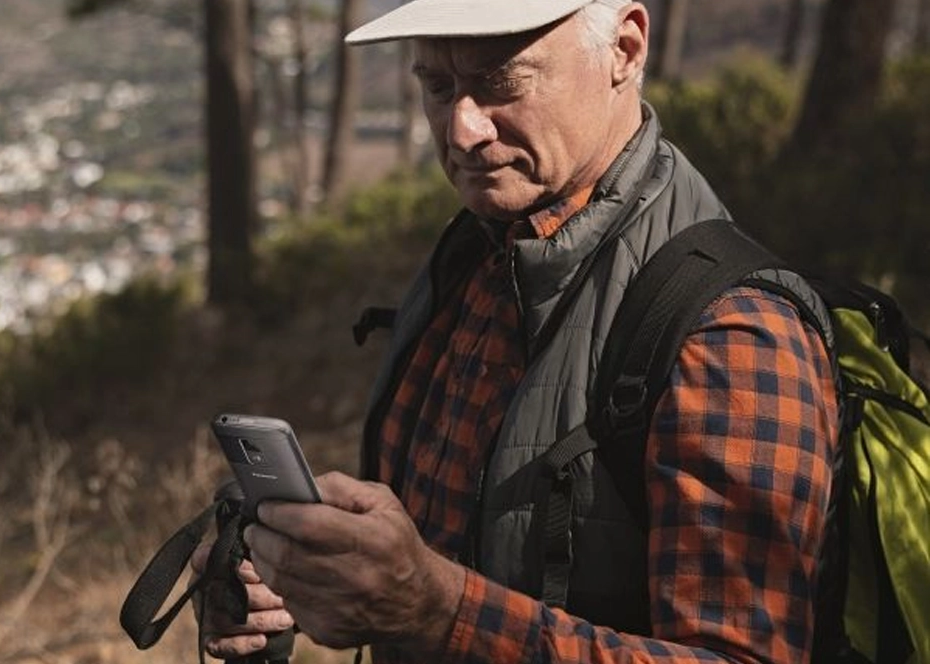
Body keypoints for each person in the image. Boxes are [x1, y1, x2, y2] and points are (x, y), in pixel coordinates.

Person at [192, 1, 839, 662]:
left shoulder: (731, 331)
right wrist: (292, 574)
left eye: (501, 83)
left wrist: (439, 609)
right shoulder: (478, 254)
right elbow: (438, 553)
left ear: (625, 49)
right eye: (438, 88)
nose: (462, 129)